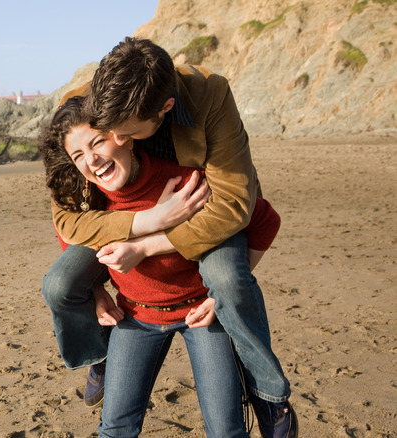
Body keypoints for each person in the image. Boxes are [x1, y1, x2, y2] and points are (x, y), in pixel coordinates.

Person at [41, 38, 297, 438]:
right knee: (58, 283)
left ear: (164, 109)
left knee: (229, 283)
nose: (115, 141)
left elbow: (244, 209)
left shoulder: (206, 104)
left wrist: (151, 243)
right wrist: (145, 225)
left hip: (200, 271)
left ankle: (266, 391)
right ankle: (100, 354)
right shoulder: (85, 117)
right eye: (104, 133)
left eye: (120, 134)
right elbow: (69, 219)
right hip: (138, 313)